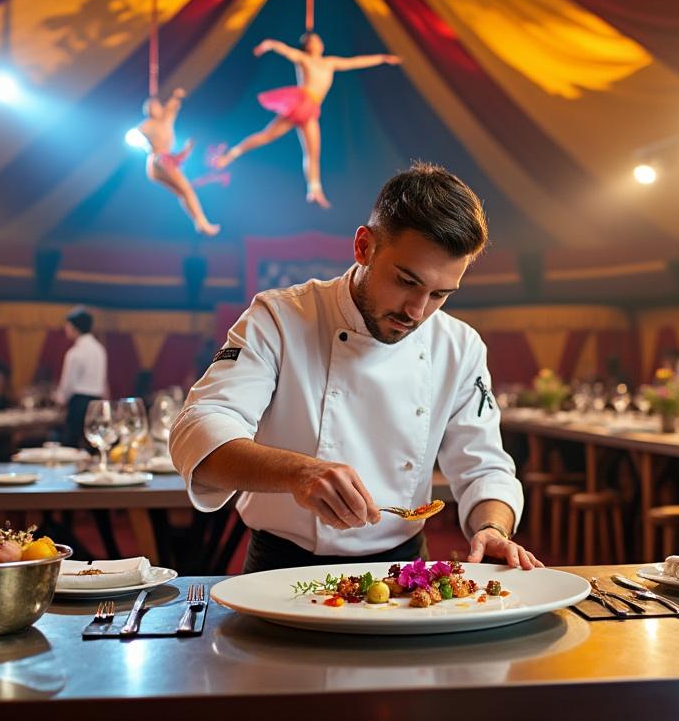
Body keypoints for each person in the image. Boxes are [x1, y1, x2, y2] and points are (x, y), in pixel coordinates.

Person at [171, 163, 538, 573]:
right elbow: (198, 427)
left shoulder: (460, 346)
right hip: (281, 568)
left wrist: (493, 528)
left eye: (439, 294)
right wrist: (298, 472)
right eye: (405, 281)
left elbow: (484, 466)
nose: (416, 312)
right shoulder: (279, 317)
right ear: (364, 247)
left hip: (405, 570)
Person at [211, 33, 401, 208]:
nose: (316, 42)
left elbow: (356, 62)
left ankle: (314, 189)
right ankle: (231, 155)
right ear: (307, 46)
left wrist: (382, 58)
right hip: (300, 102)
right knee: (267, 136)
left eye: (318, 40)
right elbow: (284, 49)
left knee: (312, 151)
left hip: (311, 108)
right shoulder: (303, 59)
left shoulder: (330, 62)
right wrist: (268, 45)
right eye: (312, 41)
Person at [137, 87, 219, 236]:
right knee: (187, 190)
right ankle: (202, 222)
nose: (153, 109)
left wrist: (176, 96)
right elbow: (143, 132)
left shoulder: (166, 119)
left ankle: (198, 221)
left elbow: (171, 108)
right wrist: (172, 98)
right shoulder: (147, 125)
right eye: (150, 108)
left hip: (158, 163)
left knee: (183, 193)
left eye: (155, 107)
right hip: (159, 160)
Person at [55, 307, 108, 447]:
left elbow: (68, 384)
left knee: (71, 446)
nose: (66, 329)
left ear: (74, 327)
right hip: (96, 403)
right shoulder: (100, 349)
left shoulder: (75, 352)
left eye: (67, 325)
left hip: (78, 403)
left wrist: (60, 400)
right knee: (93, 446)